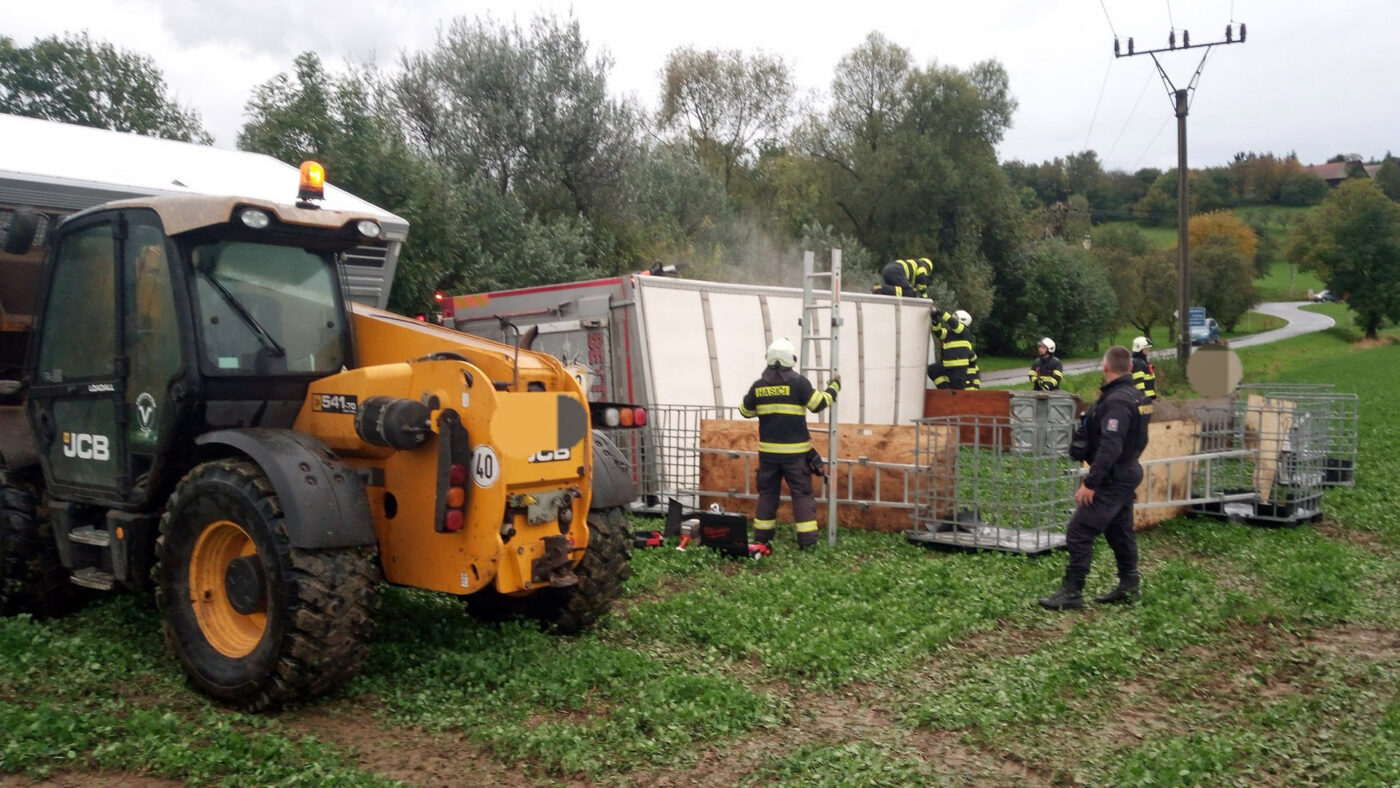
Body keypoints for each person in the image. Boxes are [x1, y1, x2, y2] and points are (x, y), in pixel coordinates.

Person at [1039, 345, 1152, 610]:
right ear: (1131, 367)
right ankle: (1129, 583)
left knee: (1079, 531)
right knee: (1119, 529)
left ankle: (1072, 593)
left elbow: (1111, 445)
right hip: (1128, 470)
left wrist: (1092, 483)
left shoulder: (1117, 402)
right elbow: (1138, 440)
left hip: (1113, 476)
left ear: (1105, 367)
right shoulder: (1137, 396)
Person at [739, 337, 841, 550]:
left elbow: (745, 411)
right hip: (796, 457)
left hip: (768, 456)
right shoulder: (799, 383)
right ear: (791, 360)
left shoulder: (758, 387)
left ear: (768, 359)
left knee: (767, 495)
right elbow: (818, 404)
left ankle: (762, 539)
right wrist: (834, 387)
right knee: (802, 495)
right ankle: (807, 542)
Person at [928, 308, 981, 390]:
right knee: (932, 370)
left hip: (958, 366)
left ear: (962, 320)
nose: (953, 319)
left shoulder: (964, 331)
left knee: (958, 390)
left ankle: (955, 399)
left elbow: (953, 323)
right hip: (946, 365)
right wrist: (934, 318)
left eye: (955, 318)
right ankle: (944, 391)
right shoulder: (950, 334)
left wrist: (939, 312)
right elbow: (938, 332)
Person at [1131, 336, 1158, 400]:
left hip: (1147, 398)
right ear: (1139, 349)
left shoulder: (1142, 362)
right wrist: (1142, 398)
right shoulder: (1138, 363)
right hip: (1143, 399)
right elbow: (1139, 383)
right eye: (1146, 348)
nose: (1148, 349)